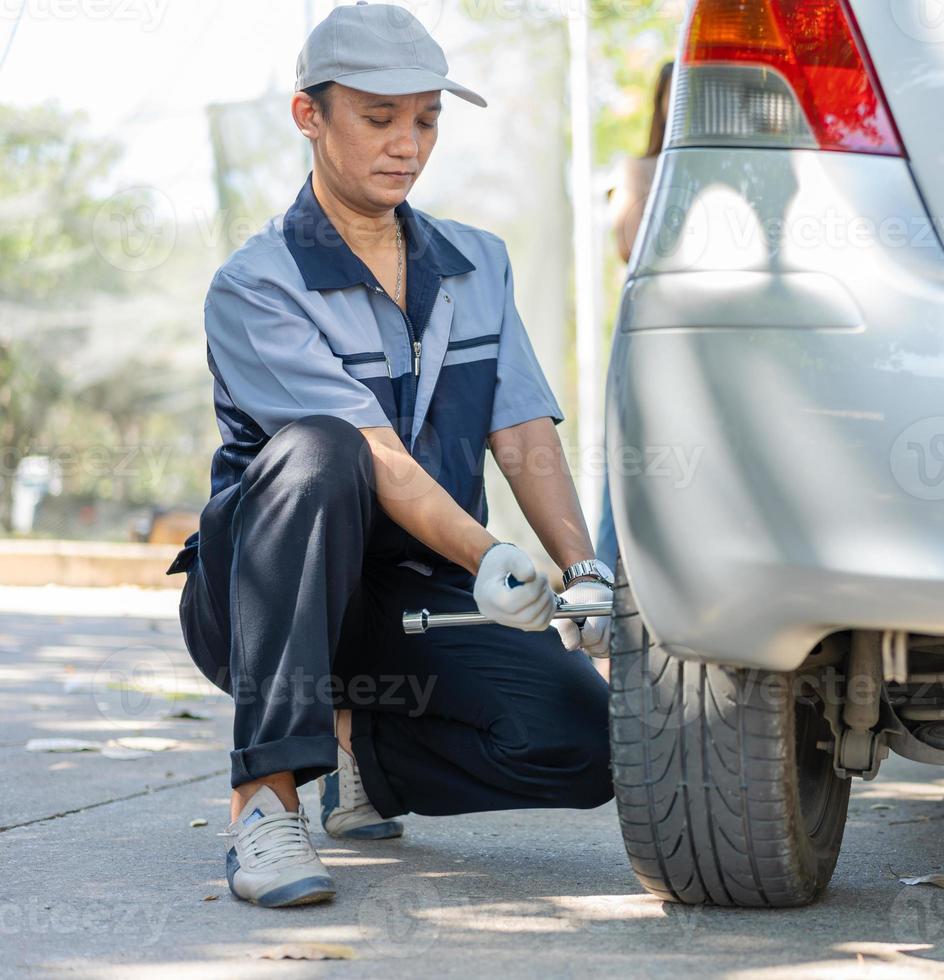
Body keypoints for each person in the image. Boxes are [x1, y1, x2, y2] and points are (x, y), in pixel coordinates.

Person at [166, 2, 615, 909]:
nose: (407, 143)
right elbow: (372, 455)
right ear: (309, 116)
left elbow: (521, 430)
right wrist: (490, 555)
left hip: (418, 594)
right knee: (320, 450)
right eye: (378, 118)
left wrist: (583, 570)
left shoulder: (476, 265)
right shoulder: (259, 285)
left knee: (588, 739)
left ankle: (355, 748)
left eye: (426, 118)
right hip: (265, 601)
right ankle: (265, 799)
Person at [597, 61, 673, 568]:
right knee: (623, 468)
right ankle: (603, 599)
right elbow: (626, 245)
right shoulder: (638, 170)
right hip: (650, 333)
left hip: (705, 336)